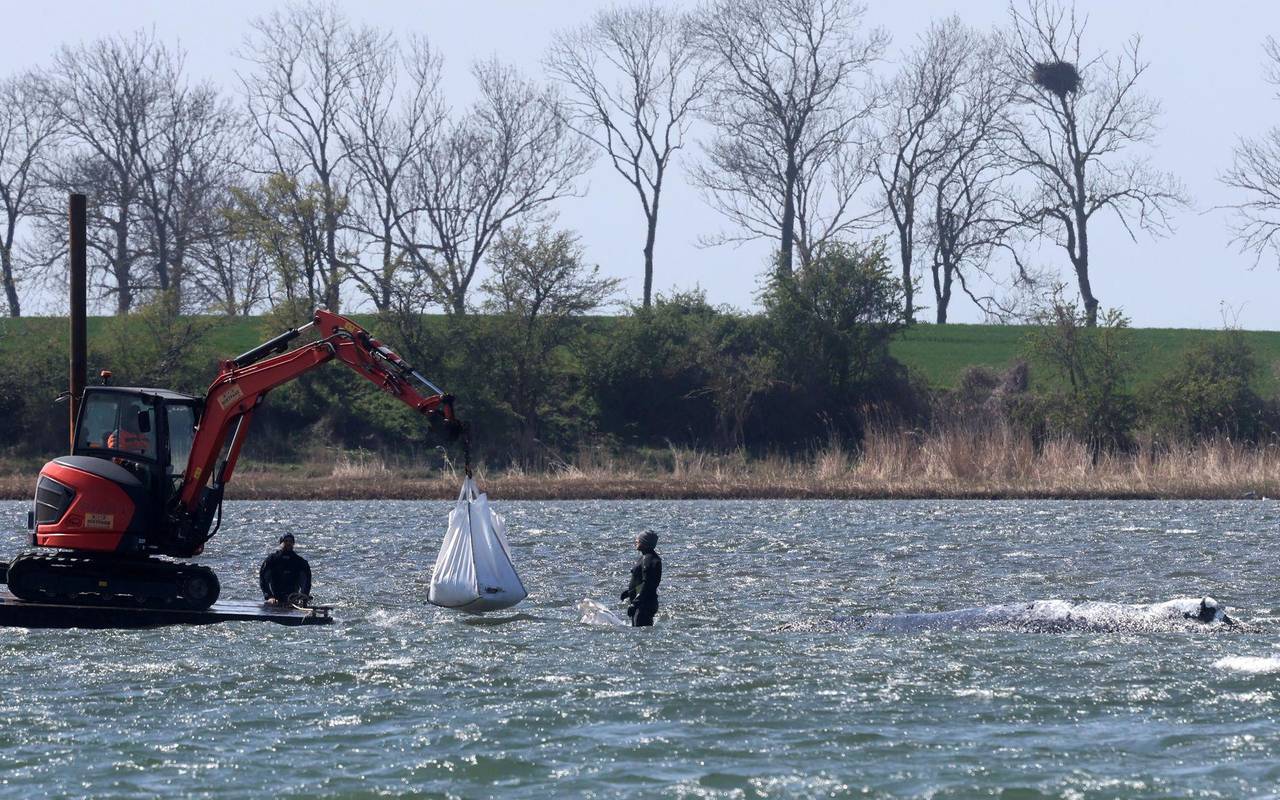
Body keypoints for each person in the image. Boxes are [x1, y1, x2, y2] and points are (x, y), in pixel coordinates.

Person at [620, 529, 662, 627]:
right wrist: (630, 592)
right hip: (643, 603)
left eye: (639, 539)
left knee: (640, 632)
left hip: (644, 605)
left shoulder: (649, 559)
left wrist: (635, 603)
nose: (636, 541)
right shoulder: (647, 557)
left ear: (645, 542)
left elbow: (647, 584)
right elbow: (642, 583)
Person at [260, 533, 312, 606]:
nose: (288, 543)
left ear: (293, 543)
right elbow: (263, 579)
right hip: (275, 599)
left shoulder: (300, 562)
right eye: (286, 541)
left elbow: (307, 581)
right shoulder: (272, 560)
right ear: (281, 543)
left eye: (290, 541)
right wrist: (269, 597)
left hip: (294, 598)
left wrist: (303, 597)